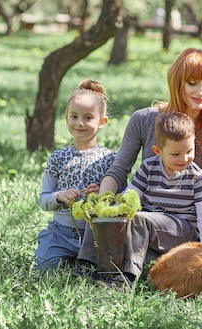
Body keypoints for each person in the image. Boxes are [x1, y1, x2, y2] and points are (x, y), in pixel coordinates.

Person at [95, 111, 202, 290]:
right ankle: (91, 265)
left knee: (140, 218)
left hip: (182, 230)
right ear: (158, 151)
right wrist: (113, 214)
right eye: (176, 154)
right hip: (152, 233)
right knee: (107, 219)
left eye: (189, 151)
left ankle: (125, 279)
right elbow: (131, 195)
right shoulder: (149, 167)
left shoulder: (195, 175)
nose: (184, 159)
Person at [33, 79, 117, 271]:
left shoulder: (111, 159)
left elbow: (122, 199)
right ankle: (63, 256)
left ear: (102, 122)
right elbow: (44, 199)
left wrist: (104, 194)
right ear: (66, 118)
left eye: (88, 118)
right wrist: (59, 196)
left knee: (104, 270)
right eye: (74, 116)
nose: (80, 123)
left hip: (96, 233)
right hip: (60, 232)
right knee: (43, 268)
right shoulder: (58, 157)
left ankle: (82, 262)